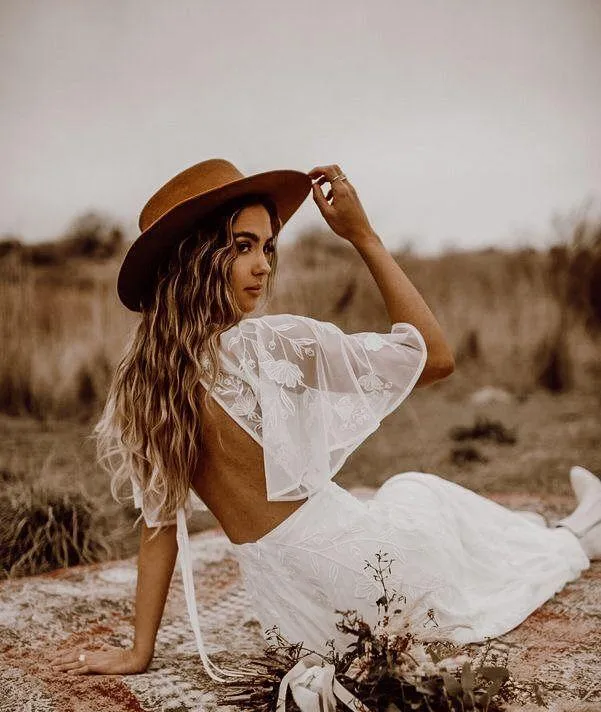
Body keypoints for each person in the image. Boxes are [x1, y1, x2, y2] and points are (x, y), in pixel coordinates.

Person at [50, 159, 600, 680]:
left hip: (293, 618)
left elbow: (159, 528)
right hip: (369, 579)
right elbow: (435, 357)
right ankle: (574, 534)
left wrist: (138, 651)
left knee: (412, 504)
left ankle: (572, 529)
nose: (263, 264)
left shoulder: (143, 387)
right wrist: (364, 236)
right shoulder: (264, 346)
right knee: (417, 493)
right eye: (243, 247)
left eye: (266, 246)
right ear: (195, 257)